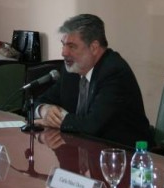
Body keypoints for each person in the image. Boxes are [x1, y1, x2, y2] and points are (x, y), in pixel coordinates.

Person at [35, 13, 152, 148]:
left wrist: (53, 120)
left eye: (72, 46)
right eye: (63, 45)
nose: (64, 53)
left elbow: (91, 126)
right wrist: (44, 110)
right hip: (84, 152)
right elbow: (37, 102)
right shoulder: (72, 71)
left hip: (126, 156)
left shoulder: (114, 72)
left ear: (94, 47)